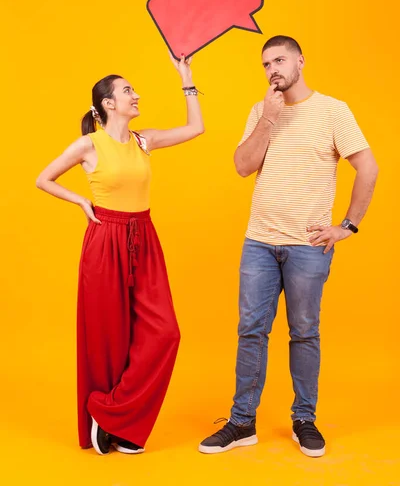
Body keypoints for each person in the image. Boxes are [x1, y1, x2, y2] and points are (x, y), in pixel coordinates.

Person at [199, 35, 378, 457]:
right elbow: (243, 167)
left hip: (307, 246)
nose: (272, 69)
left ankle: (304, 419)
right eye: (266, 64)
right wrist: (267, 121)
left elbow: (367, 167)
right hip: (259, 242)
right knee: (250, 332)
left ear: (301, 61)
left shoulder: (334, 111)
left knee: (304, 333)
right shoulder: (262, 111)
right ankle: (242, 423)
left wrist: (346, 226)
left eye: (279, 60)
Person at [36, 54, 204, 455]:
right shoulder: (88, 144)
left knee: (164, 332)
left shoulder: (145, 140)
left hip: (143, 237)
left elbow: (196, 127)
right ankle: (113, 429)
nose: (136, 95)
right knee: (109, 337)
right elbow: (43, 179)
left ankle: (111, 412)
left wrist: (187, 79)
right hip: (105, 239)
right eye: (128, 90)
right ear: (108, 104)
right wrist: (80, 201)